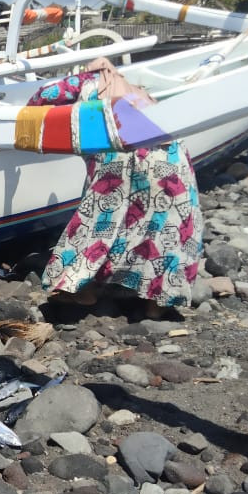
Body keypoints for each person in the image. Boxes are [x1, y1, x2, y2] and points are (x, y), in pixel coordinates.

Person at [39, 57, 204, 317]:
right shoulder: (138, 93)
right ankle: (156, 304)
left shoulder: (86, 82)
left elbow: (44, 95)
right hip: (172, 165)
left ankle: (82, 290)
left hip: (121, 160)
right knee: (164, 228)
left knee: (98, 224)